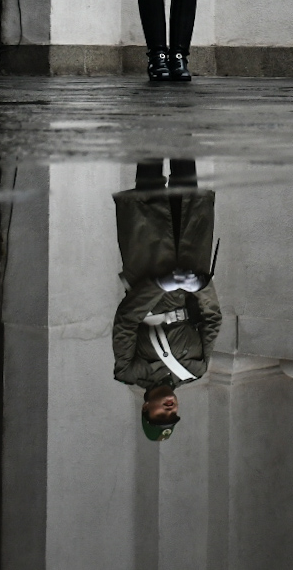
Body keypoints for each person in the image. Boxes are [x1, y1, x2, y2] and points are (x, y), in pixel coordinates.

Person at [111, 158, 222, 442]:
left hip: (149, 262)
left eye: (160, 415)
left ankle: (150, 119)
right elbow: (212, 318)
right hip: (189, 263)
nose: (168, 410)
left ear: (146, 408)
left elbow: (125, 320)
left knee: (149, 185)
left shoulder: (129, 371)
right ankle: (181, 119)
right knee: (187, 185)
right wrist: (202, 286)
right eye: (172, 416)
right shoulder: (195, 369)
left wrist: (160, 285)